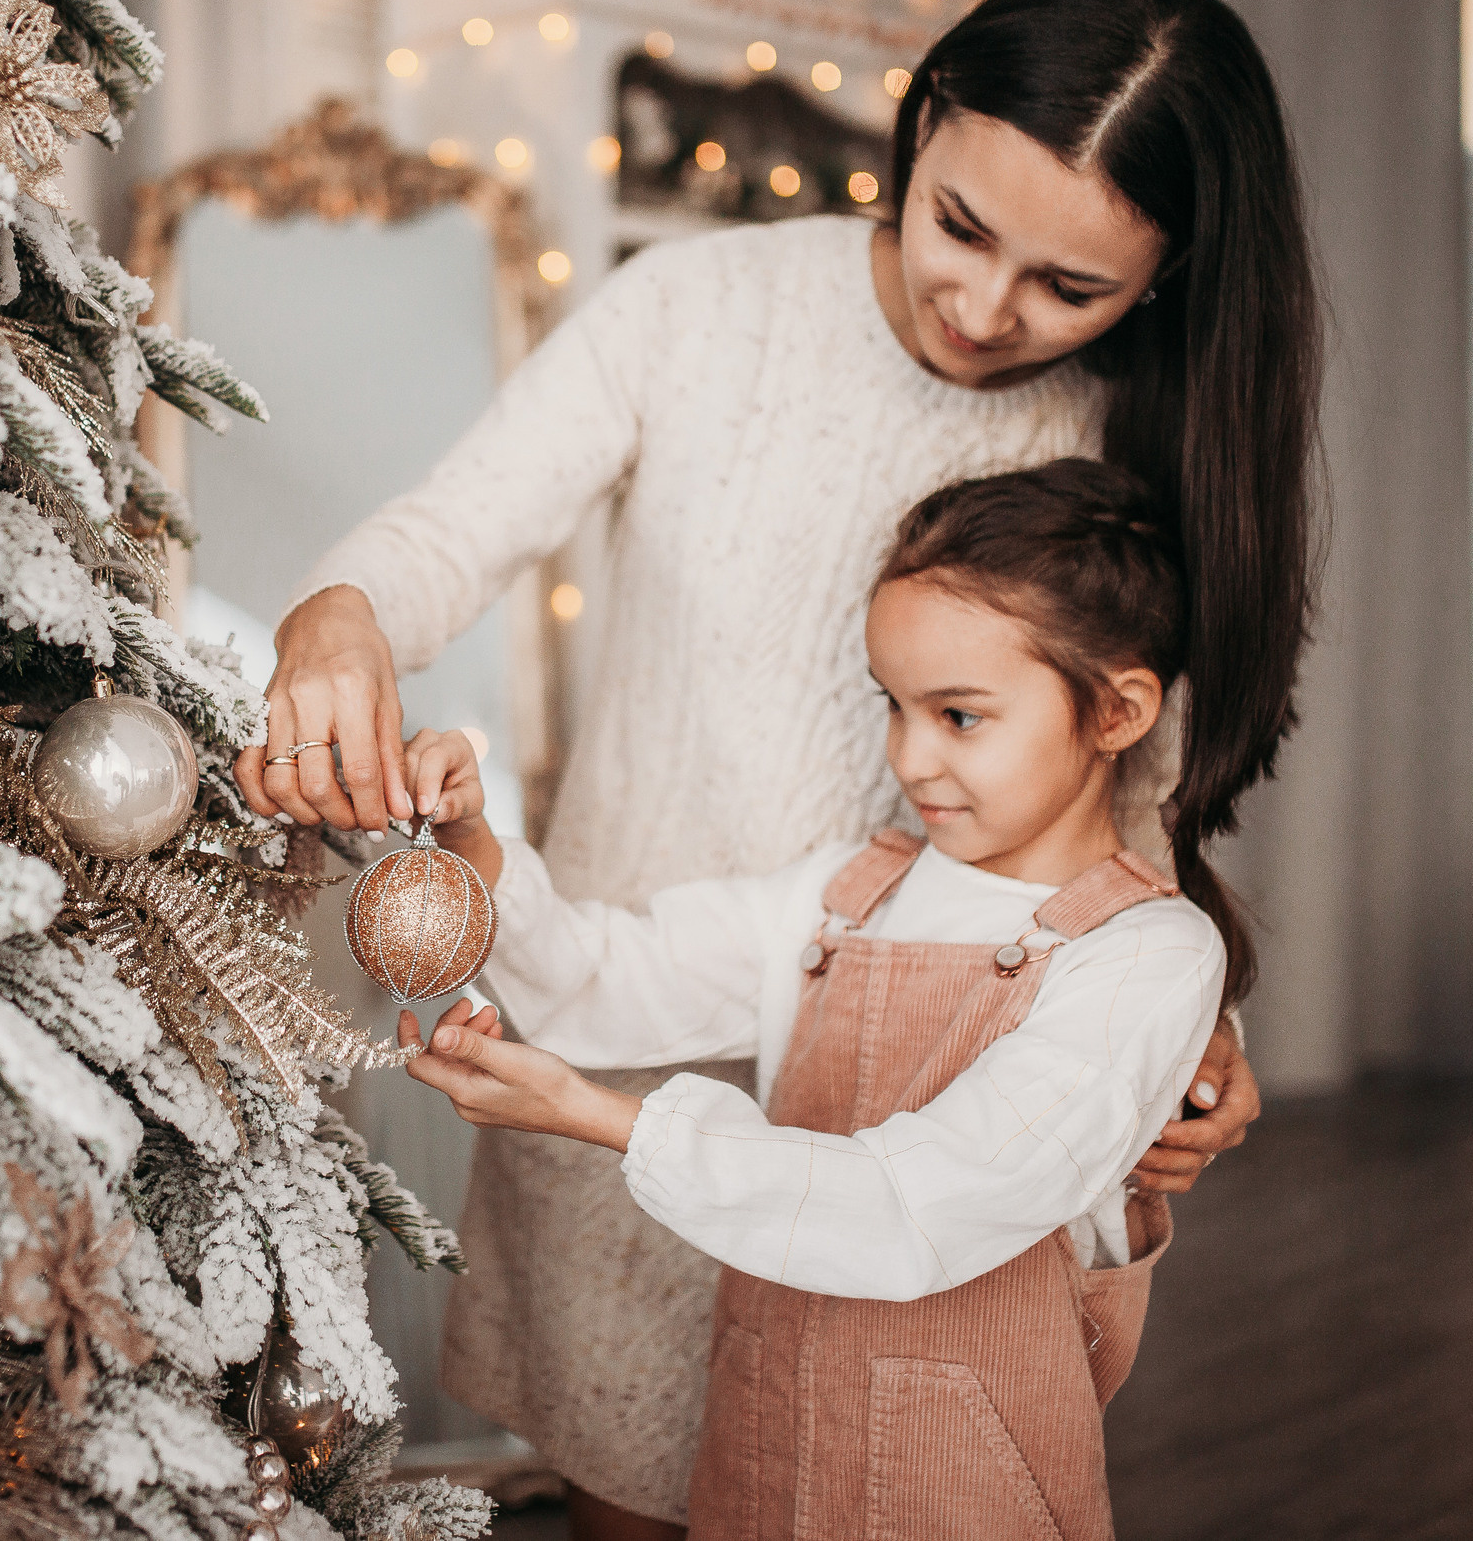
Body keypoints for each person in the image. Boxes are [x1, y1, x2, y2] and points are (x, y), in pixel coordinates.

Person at [238, 0, 1315, 1537]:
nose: (984, 305)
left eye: (1069, 286)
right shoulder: (699, 306)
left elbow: (1125, 812)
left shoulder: (1133, 428)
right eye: (960, 223)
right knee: (637, 1484)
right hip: (622, 1023)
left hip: (950, 1096)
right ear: (923, 115)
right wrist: (337, 616)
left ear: (1164, 278)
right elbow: (456, 529)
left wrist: (1188, 1036)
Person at [401, 460, 1244, 1541]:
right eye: (891, 707)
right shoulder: (844, 895)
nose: (910, 756)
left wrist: (592, 1114)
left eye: (959, 715)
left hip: (967, 1494)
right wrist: (473, 849)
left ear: (1118, 709)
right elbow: (601, 983)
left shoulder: (1148, 955)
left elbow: (914, 1209)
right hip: (763, 1447)